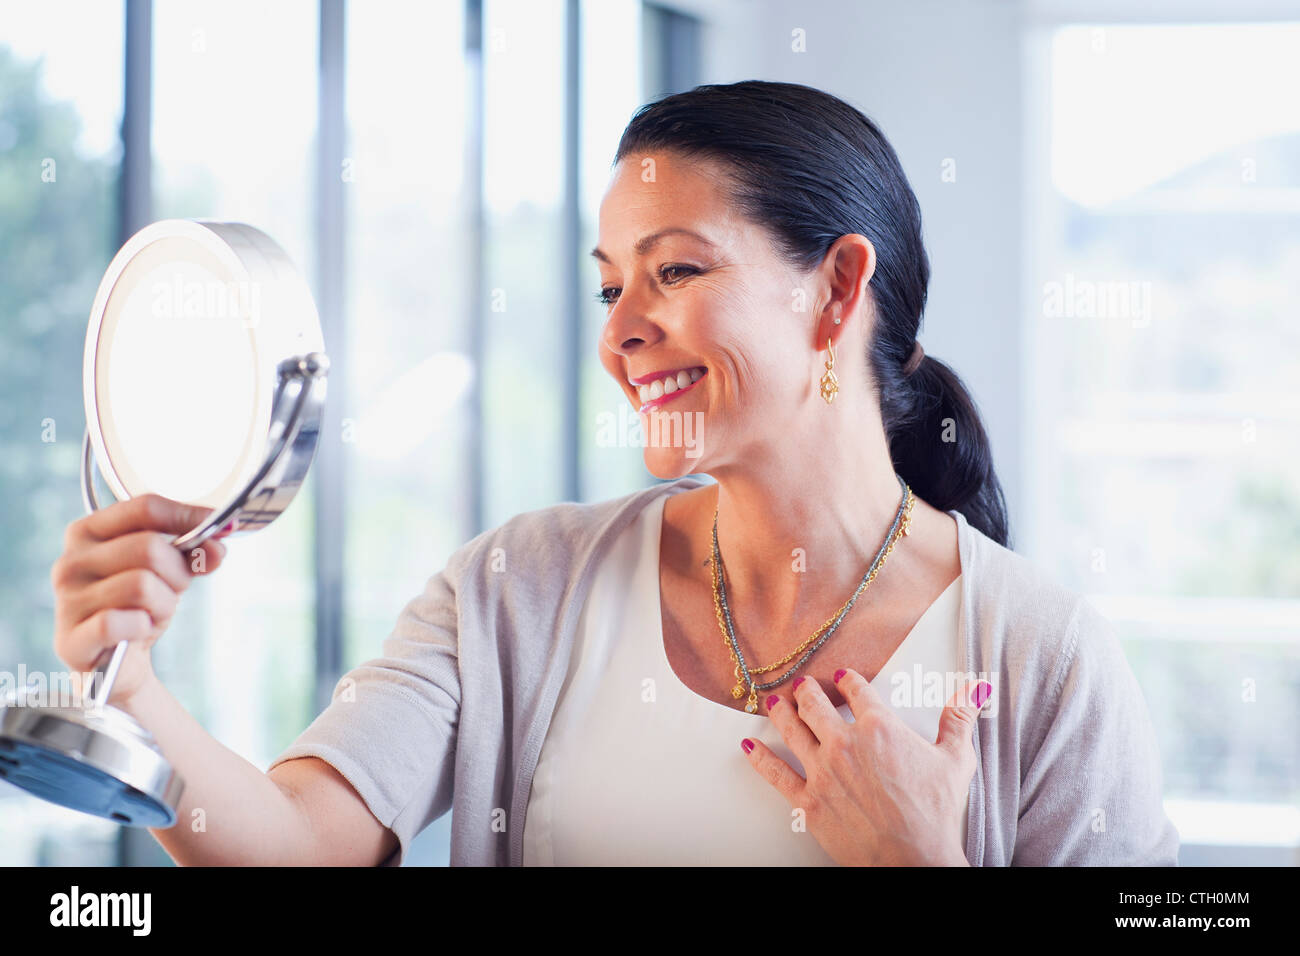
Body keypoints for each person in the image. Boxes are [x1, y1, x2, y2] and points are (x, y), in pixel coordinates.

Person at [49, 80, 1178, 866]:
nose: (620, 332)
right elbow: (294, 846)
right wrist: (136, 690)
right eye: (608, 287)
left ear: (835, 290)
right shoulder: (518, 588)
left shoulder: (1042, 659)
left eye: (674, 269)